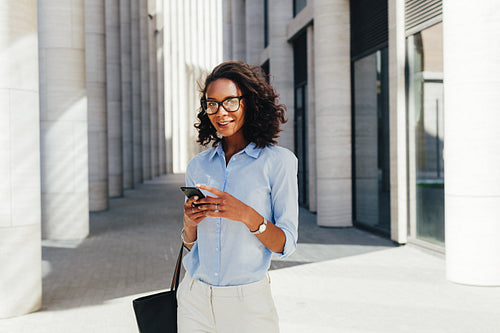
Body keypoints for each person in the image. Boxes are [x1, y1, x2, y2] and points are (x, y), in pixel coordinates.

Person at [177, 61, 298, 333]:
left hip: (248, 305)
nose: (221, 112)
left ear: (249, 102)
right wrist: (189, 223)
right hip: (195, 299)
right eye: (212, 104)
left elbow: (286, 244)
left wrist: (246, 215)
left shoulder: (278, 162)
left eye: (230, 101)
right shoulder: (198, 166)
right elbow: (190, 245)